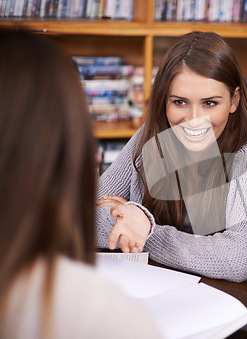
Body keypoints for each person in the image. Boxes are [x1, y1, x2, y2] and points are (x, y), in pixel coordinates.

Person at [0, 29, 161, 338]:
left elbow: (238, 258)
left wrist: (140, 221)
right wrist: (142, 224)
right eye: (178, 102)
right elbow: (90, 208)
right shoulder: (95, 313)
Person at [96, 31, 247, 285]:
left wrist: (145, 229)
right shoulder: (149, 137)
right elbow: (80, 218)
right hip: (158, 288)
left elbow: (236, 261)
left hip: (238, 303)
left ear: (234, 100)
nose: (194, 119)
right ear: (165, 101)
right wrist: (129, 216)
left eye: (209, 103)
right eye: (180, 102)